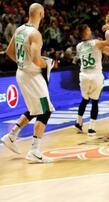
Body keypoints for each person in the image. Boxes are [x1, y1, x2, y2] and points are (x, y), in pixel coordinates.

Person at [1, 3, 55, 163]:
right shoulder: (35, 34)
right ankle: (35, 150)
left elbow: (9, 52)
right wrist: (49, 63)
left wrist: (23, 62)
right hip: (32, 76)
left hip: (22, 73)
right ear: (40, 14)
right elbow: (36, 60)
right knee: (45, 111)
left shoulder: (20, 29)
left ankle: (11, 136)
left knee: (34, 109)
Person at [73, 24, 109, 136]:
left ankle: (78, 122)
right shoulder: (96, 42)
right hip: (95, 75)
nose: (90, 30)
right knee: (95, 102)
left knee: (84, 99)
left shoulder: (78, 46)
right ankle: (91, 128)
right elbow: (108, 42)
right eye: (89, 29)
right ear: (86, 32)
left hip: (83, 76)